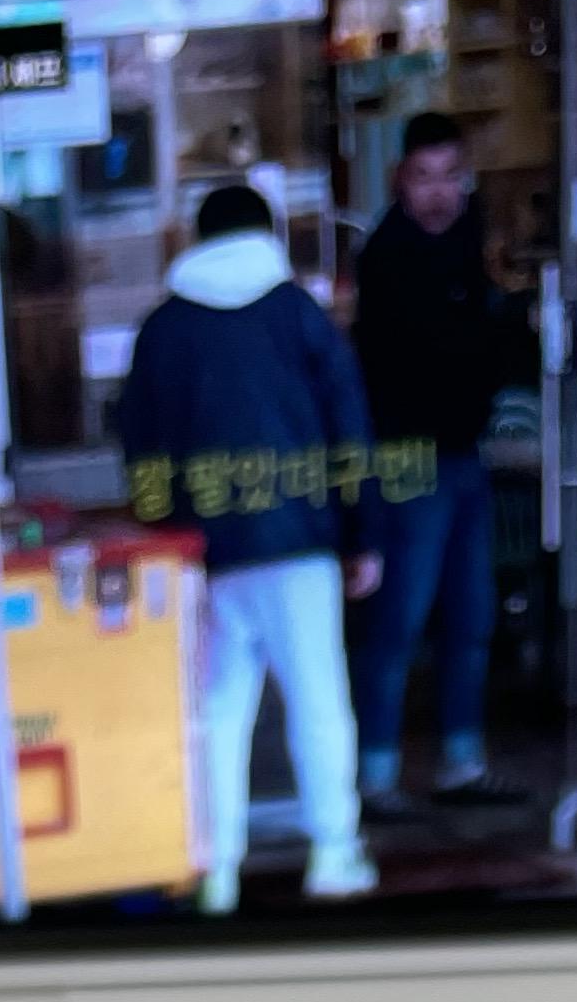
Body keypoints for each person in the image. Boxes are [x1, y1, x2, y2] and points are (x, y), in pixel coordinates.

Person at [117, 181, 381, 911]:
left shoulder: (163, 327)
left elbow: (140, 446)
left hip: (207, 555)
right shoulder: (300, 314)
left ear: (197, 239)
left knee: (217, 714)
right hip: (301, 547)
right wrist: (363, 535)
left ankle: (218, 871)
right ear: (268, 235)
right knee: (319, 702)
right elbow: (349, 427)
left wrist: (164, 539)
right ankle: (332, 854)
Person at [348, 112, 522, 803]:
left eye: (451, 176)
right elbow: (425, 356)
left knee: (470, 617)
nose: (439, 193)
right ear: (400, 179)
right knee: (400, 621)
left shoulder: (473, 242)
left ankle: (461, 762)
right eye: (424, 178)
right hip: (408, 457)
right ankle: (376, 775)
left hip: (463, 453)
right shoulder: (389, 257)